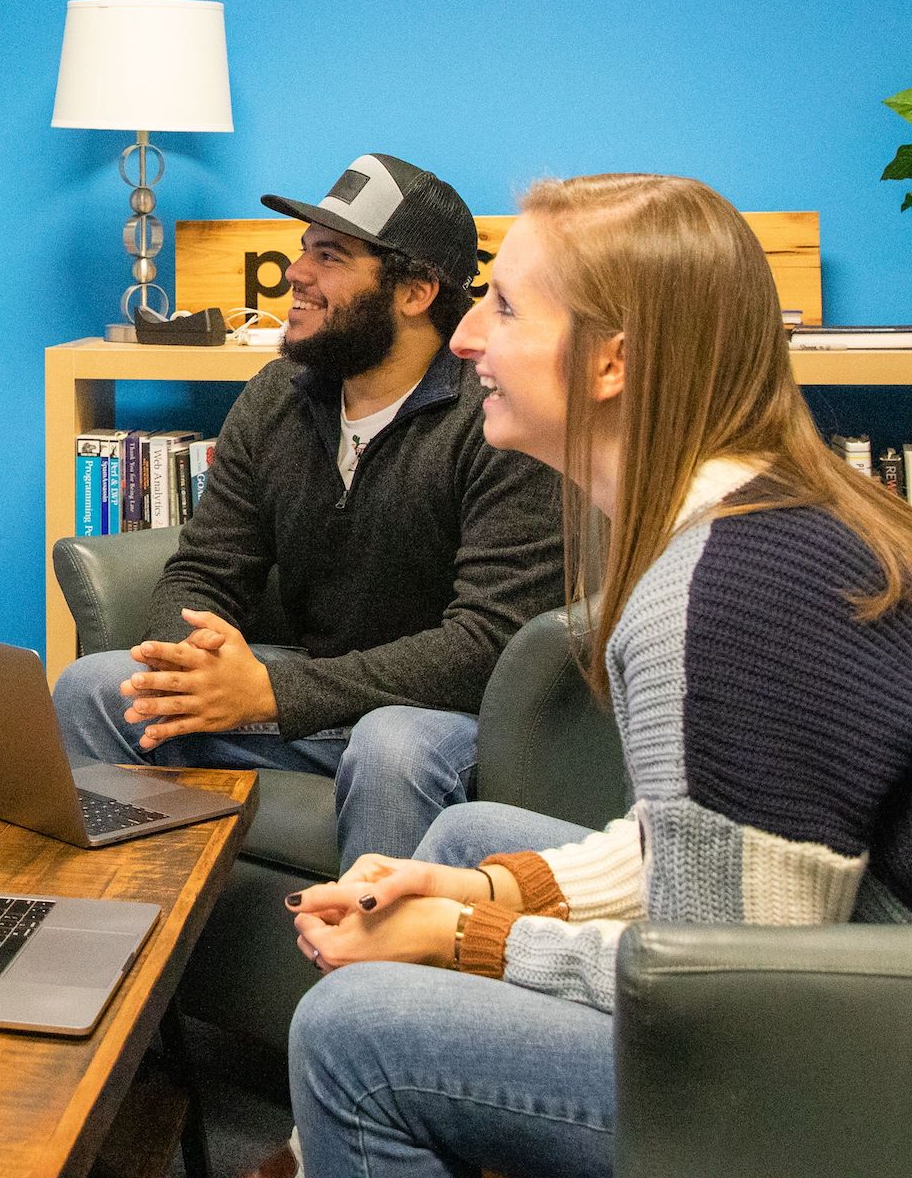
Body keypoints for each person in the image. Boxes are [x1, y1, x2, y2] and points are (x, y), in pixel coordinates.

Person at [268, 174, 912, 1178]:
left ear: (613, 360)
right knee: (470, 835)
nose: (466, 339)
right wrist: (482, 886)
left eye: (504, 307)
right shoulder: (763, 516)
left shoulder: (731, 590)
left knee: (353, 1033)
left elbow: (726, 991)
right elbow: (729, 848)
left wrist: (471, 936)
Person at [52, 153, 566, 869]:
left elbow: (487, 644)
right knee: (91, 690)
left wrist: (272, 691)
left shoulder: (497, 416)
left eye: (330, 256)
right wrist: (190, 671)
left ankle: (373, 979)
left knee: (392, 745)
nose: (297, 272)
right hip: (312, 703)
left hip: (447, 720)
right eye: (302, 250)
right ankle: (131, 946)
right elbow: (205, 568)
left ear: (416, 290)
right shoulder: (279, 394)